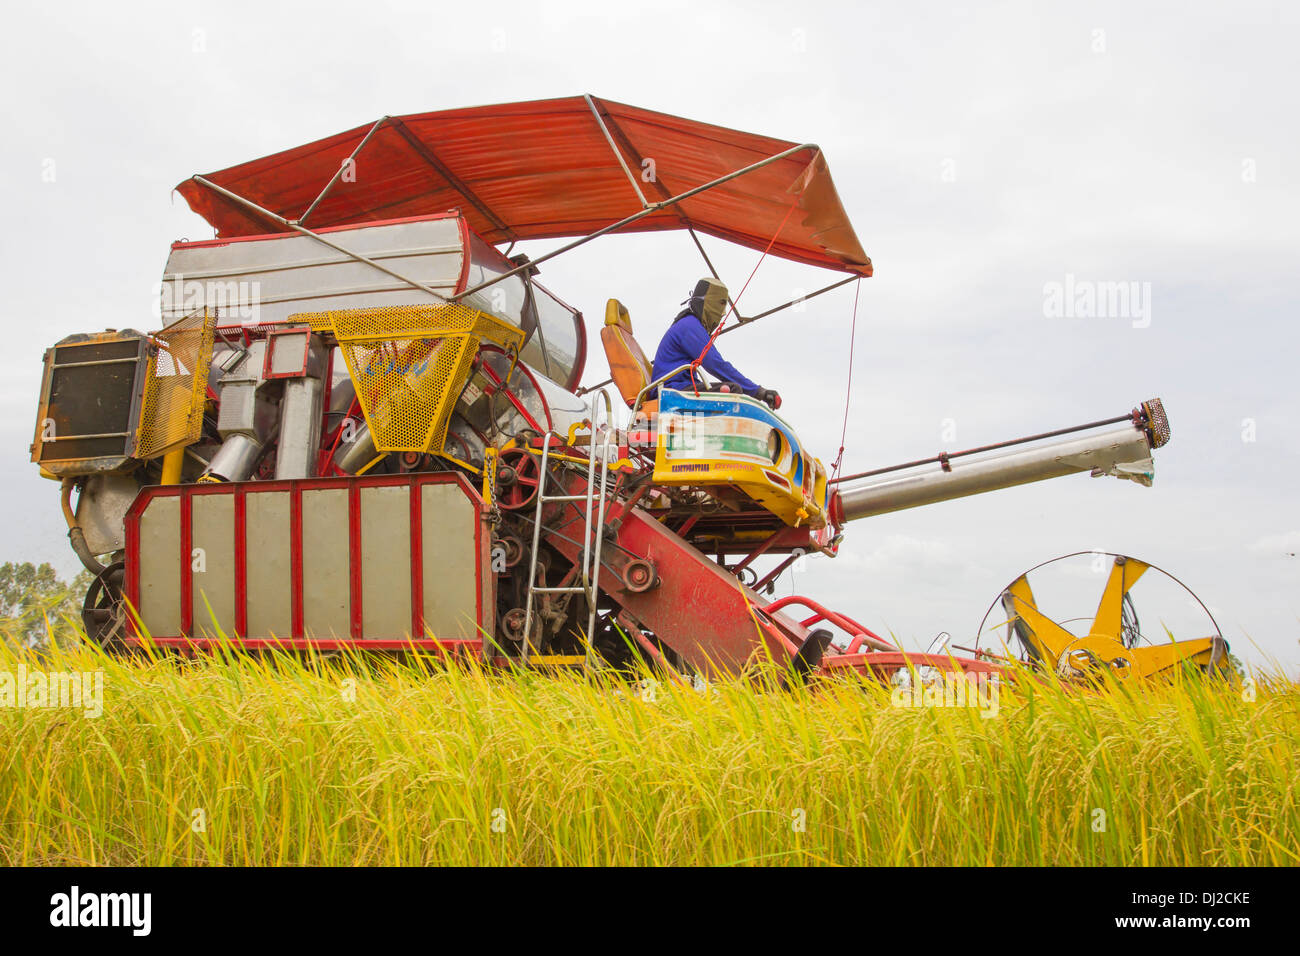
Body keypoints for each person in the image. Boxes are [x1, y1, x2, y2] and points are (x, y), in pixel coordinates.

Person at [651, 278, 782, 409]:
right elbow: (716, 364)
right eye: (721, 303)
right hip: (670, 391)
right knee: (731, 391)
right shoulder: (689, 326)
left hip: (676, 387)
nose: (723, 313)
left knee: (726, 390)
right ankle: (718, 429)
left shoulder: (687, 324)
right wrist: (759, 392)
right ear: (706, 302)